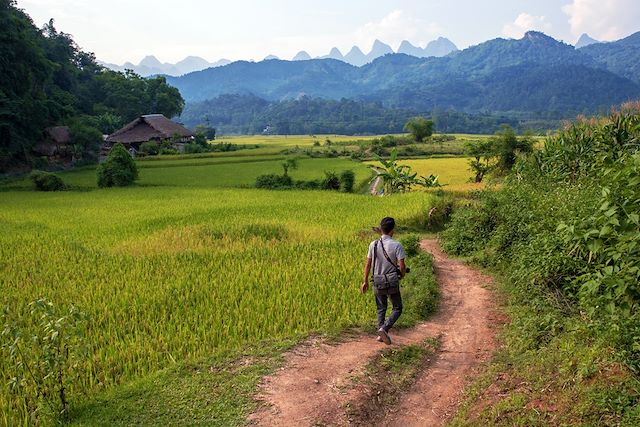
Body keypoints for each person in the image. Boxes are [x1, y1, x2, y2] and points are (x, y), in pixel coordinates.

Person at [361, 217, 406, 345]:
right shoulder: (397, 245)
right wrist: (401, 276)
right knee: (397, 307)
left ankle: (380, 335)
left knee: (381, 308)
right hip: (391, 281)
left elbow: (368, 264)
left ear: (381, 229)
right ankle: (384, 329)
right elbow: (402, 266)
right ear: (393, 230)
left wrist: (365, 281)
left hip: (377, 280)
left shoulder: (373, 244)